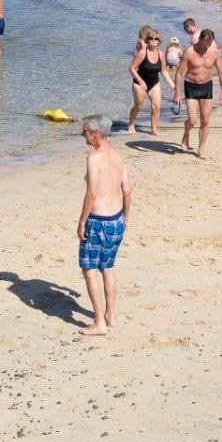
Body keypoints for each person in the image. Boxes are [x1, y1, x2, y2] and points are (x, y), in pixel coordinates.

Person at [74, 115, 130, 338]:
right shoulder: (117, 156)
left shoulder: (94, 157)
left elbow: (92, 193)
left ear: (95, 133)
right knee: (107, 267)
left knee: (89, 270)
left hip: (99, 221)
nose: (83, 135)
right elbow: (127, 189)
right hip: (116, 219)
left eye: (85, 131)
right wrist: (126, 217)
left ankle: (99, 322)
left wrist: (81, 222)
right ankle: (110, 315)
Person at [173, 29, 222, 158]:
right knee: (192, 120)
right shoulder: (189, 52)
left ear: (211, 42)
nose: (205, 47)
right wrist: (177, 93)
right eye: (203, 43)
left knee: (205, 120)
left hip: (206, 87)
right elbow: (179, 73)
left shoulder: (214, 52)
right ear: (199, 40)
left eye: (208, 44)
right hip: (191, 86)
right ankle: (186, 133)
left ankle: (200, 149)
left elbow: (221, 72)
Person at [127, 27, 168, 135]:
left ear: (159, 41)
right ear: (147, 39)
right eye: (151, 38)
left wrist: (173, 85)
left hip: (154, 83)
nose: (153, 40)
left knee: (156, 106)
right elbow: (131, 68)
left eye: (156, 39)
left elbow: (164, 71)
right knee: (138, 106)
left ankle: (154, 130)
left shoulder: (161, 54)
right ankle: (131, 124)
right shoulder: (142, 51)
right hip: (139, 82)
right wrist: (140, 81)